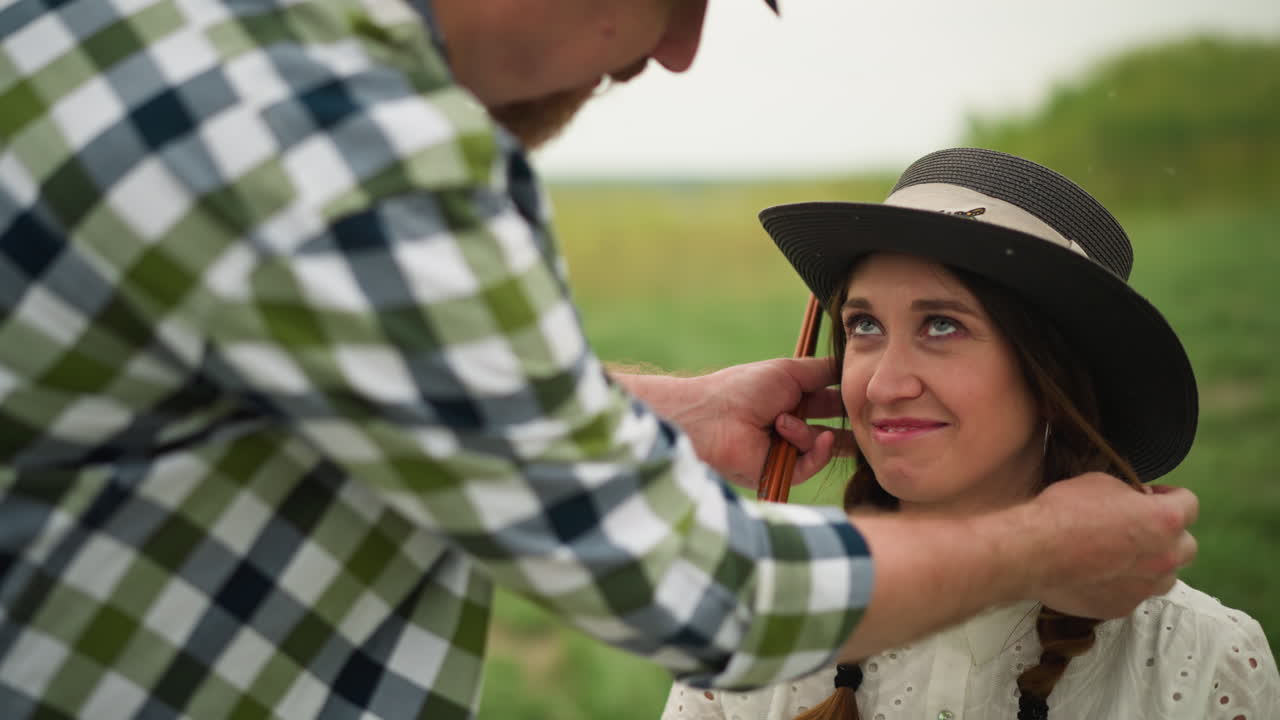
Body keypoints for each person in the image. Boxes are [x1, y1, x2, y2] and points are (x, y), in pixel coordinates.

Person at [0, 1, 1198, 717]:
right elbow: (711, 592)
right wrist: (1042, 549)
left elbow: (239, 381)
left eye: (944, 324)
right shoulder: (362, 137)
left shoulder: (99, 33)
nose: (679, 46)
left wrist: (649, 412)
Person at [660, 147, 1279, 720]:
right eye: (864, 325)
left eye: (941, 325)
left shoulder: (1204, 658)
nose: (881, 385)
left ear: (1052, 374)